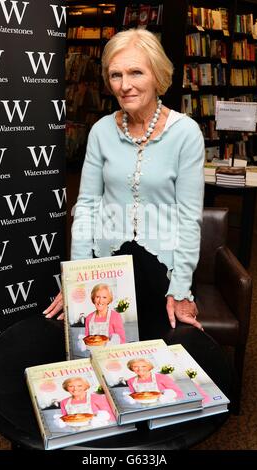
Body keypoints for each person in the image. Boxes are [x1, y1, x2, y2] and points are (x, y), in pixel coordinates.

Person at [44, 28, 204, 338]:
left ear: (157, 75)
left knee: (156, 355)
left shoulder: (186, 133)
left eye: (136, 72)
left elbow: (189, 217)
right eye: (116, 75)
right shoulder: (102, 131)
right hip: (107, 265)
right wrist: (78, 278)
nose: (125, 85)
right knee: (95, 346)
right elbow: (87, 207)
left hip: (164, 268)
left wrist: (181, 288)